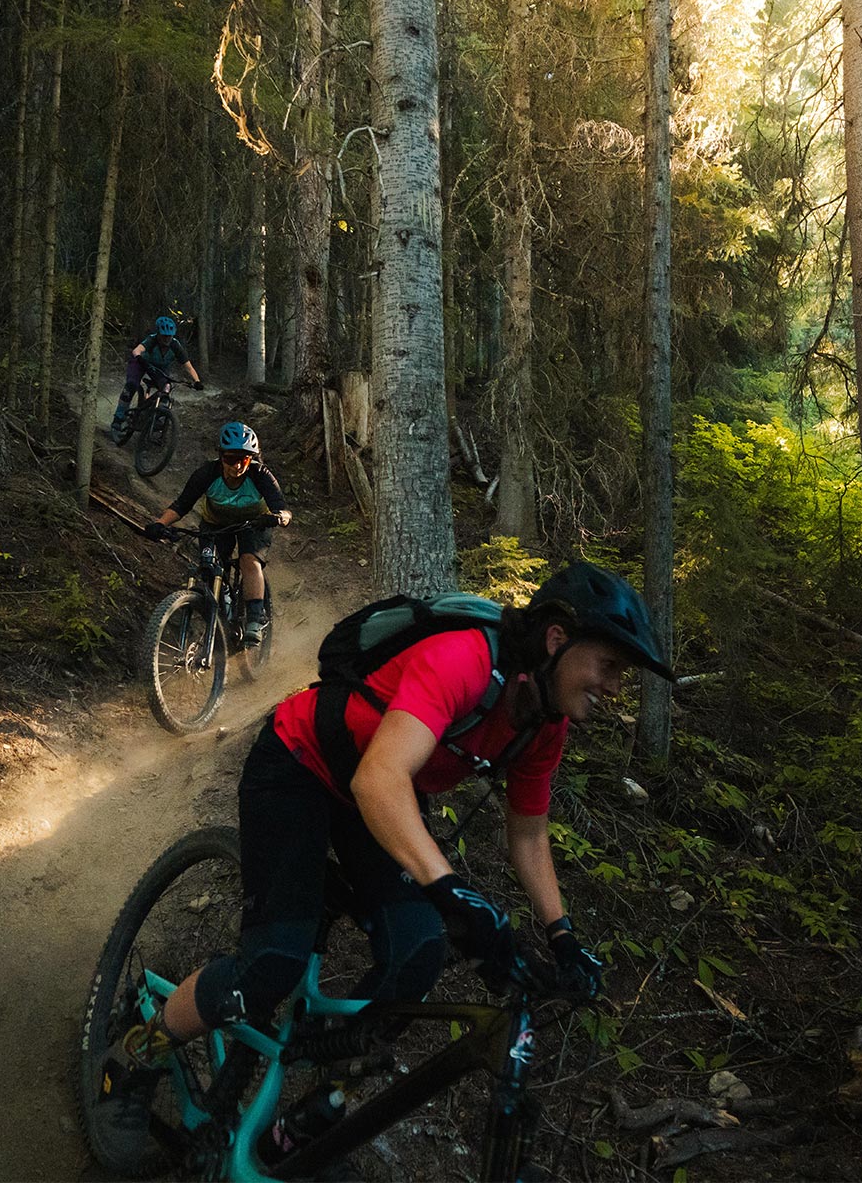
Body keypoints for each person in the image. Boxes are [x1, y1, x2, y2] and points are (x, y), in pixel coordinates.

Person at [92, 563, 675, 1163]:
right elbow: (380, 780)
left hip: (375, 796)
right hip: (300, 766)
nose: (613, 686)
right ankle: (137, 1052)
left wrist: (562, 938)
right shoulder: (465, 661)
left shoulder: (541, 726)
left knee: (416, 950)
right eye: (609, 667)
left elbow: (528, 835)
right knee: (271, 962)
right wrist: (451, 891)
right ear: (557, 640)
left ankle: (312, 1118)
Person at [139, 421, 291, 645]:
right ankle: (219, 616)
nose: (237, 465)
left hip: (254, 524)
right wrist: (159, 524)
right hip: (215, 524)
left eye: (244, 459)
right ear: (221, 456)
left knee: (249, 561)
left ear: (251, 459)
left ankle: (254, 620)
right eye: (231, 459)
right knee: (209, 568)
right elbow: (182, 504)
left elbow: (283, 508)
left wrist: (278, 517)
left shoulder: (260, 475)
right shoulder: (207, 473)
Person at [111, 316, 202, 446]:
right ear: (158, 334)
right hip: (140, 364)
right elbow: (137, 350)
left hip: (159, 369)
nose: (167, 339)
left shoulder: (175, 345)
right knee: (131, 385)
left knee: (166, 389)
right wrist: (139, 357)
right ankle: (117, 420)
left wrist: (197, 381)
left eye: (169, 336)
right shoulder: (152, 340)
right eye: (164, 336)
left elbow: (188, 366)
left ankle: (156, 416)